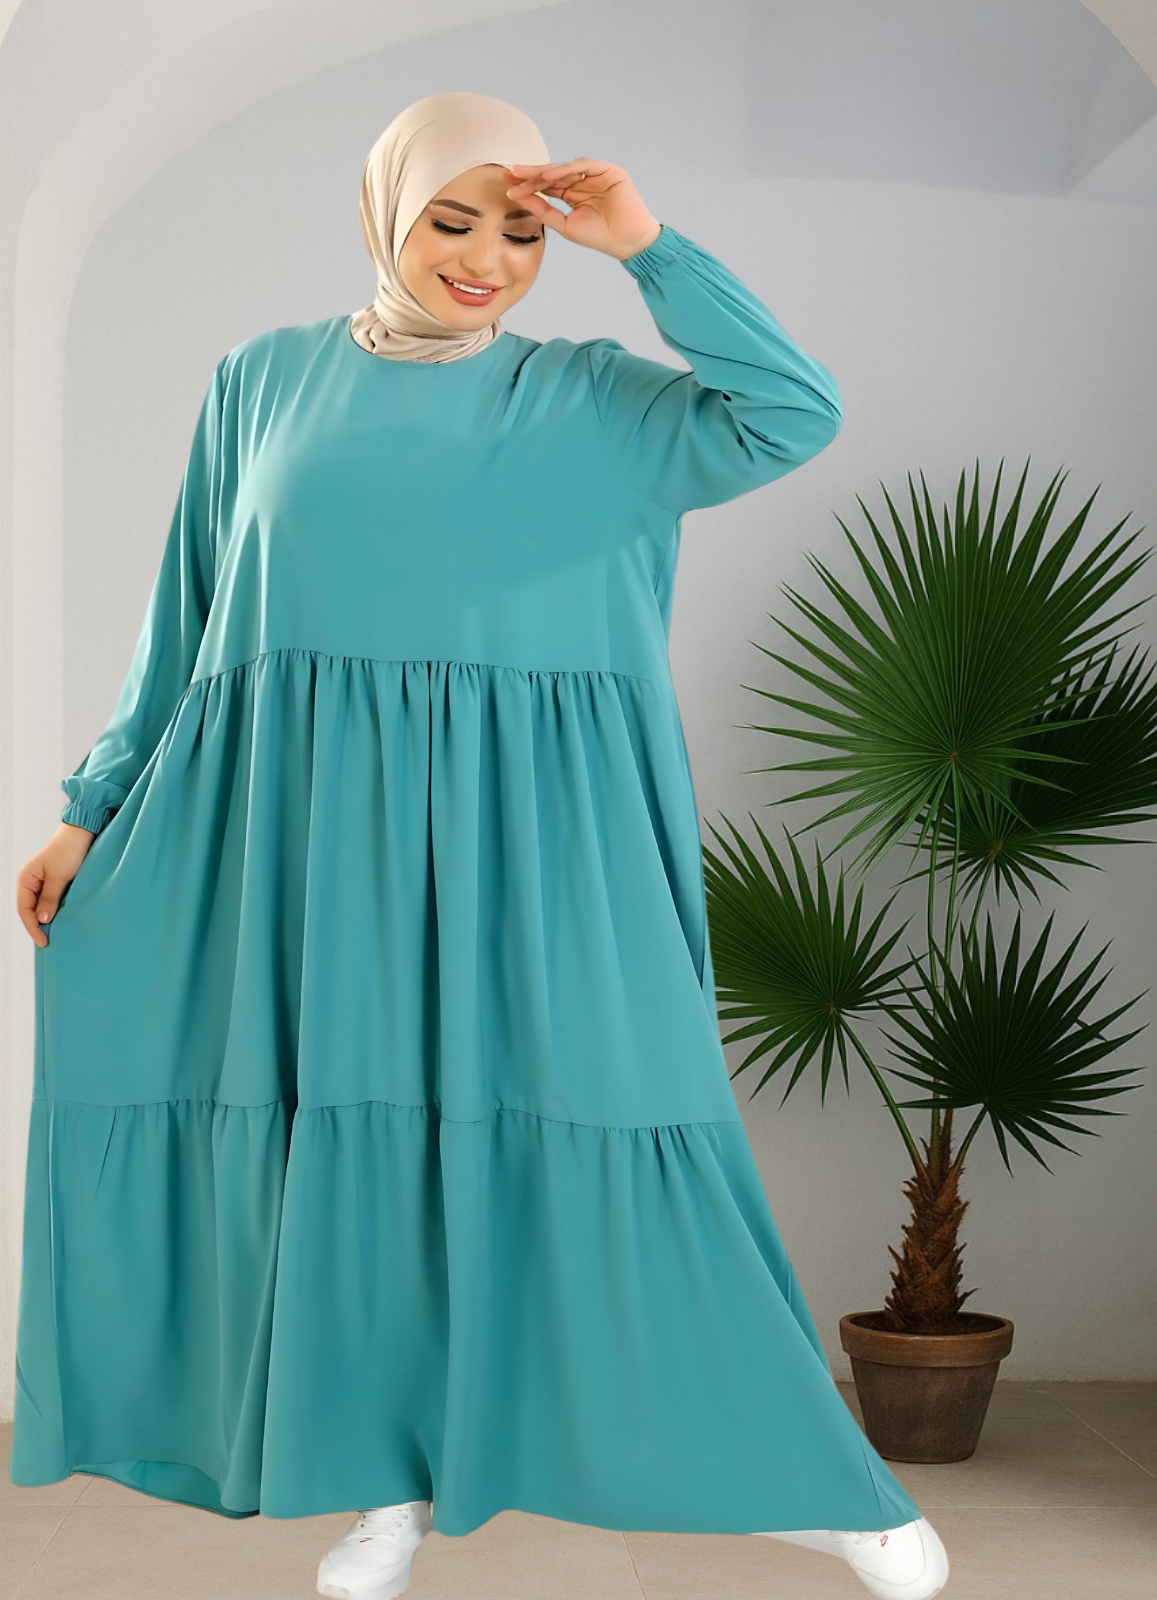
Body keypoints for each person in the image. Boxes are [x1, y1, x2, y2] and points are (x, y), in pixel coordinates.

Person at [10, 93, 949, 1600]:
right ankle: (381, 1487)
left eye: (522, 234)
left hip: (546, 840)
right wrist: (91, 803)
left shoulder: (595, 400)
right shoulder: (263, 380)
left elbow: (792, 410)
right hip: (315, 835)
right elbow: (187, 613)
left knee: (626, 1121)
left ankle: (816, 1482)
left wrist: (643, 245)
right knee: (346, 1136)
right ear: (388, 211)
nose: (486, 261)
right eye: (453, 221)